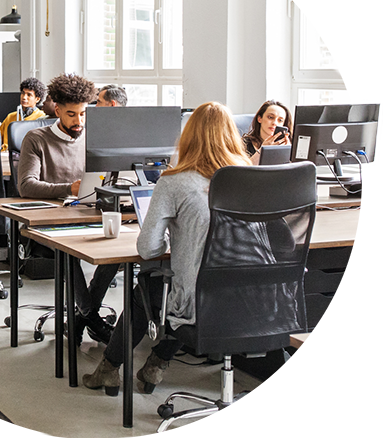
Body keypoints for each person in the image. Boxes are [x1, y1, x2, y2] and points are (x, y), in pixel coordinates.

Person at [82, 101, 252, 396]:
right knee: (185, 287)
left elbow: (148, 249)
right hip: (251, 298)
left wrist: (175, 242)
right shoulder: (254, 178)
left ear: (187, 136)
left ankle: (109, 369)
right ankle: (155, 366)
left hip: (196, 302)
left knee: (148, 288)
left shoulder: (174, 181)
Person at [17, 72, 119, 345]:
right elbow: (26, 186)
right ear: (58, 110)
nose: (79, 122)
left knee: (119, 249)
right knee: (67, 253)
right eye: (72, 115)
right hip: (47, 222)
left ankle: (80, 318)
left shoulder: (93, 137)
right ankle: (93, 320)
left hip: (88, 214)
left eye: (84, 115)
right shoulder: (36, 139)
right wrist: (68, 189)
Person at [0, 78, 47, 151]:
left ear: (37, 99)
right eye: (23, 93)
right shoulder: (11, 117)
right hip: (6, 155)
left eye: (29, 95)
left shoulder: (41, 118)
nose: (24, 97)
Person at [242, 100, 293, 165]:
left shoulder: (288, 145)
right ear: (259, 119)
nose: (275, 123)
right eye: (270, 117)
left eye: (280, 120)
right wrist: (262, 151)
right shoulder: (243, 144)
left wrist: (287, 153)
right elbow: (242, 171)